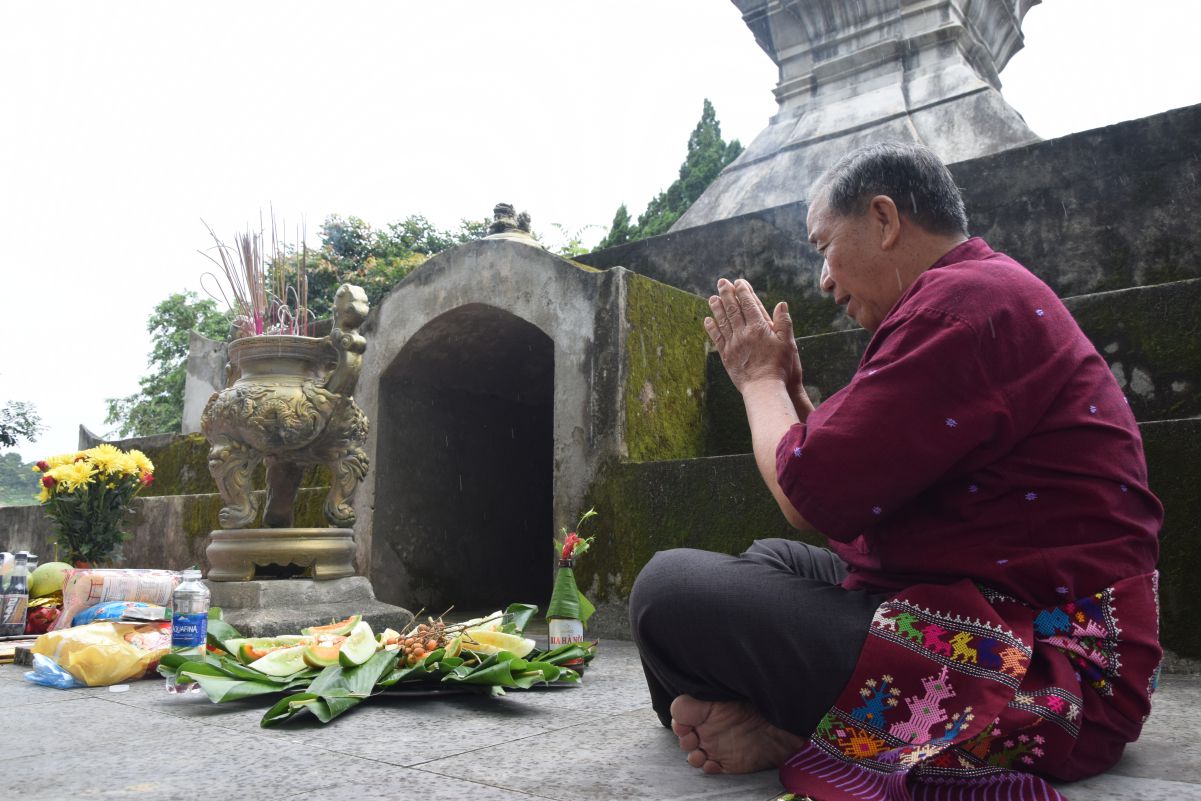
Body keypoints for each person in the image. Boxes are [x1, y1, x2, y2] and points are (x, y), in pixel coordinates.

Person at [628, 142, 1162, 800]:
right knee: (771, 559)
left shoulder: (959, 305)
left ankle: (793, 723)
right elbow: (839, 476)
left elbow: (809, 493)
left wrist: (757, 378)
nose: (822, 280)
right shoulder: (971, 293)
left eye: (823, 245)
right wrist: (793, 396)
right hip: (985, 611)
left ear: (882, 219)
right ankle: (787, 718)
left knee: (667, 589)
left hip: (1049, 670)